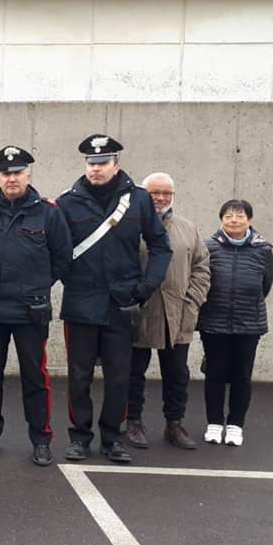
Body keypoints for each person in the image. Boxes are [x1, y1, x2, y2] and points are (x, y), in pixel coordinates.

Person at [57, 135, 171, 464]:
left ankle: (112, 438)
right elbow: (58, 251)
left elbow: (161, 246)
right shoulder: (68, 203)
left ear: (115, 164)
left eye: (103, 163)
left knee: (119, 375)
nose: (96, 169)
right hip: (81, 302)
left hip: (123, 303)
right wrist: (72, 280)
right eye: (91, 164)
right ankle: (80, 437)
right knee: (79, 376)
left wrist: (145, 287)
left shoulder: (137, 200)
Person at [0, 147, 72, 467]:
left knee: (35, 376)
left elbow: (62, 259)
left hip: (31, 310)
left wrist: (37, 288)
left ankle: (41, 439)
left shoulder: (48, 213)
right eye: (5, 173)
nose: (11, 178)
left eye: (17, 172)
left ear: (28, 175)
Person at [125, 173, 210, 450]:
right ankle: (133, 421)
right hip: (139, 312)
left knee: (177, 374)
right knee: (133, 371)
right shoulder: (130, 226)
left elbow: (201, 268)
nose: (161, 198)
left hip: (178, 313)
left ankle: (174, 423)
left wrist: (192, 301)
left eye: (166, 193)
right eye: (154, 193)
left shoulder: (188, 228)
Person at [198, 199, 273, 447]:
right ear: (221, 219)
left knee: (242, 376)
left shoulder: (263, 249)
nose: (234, 220)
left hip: (248, 323)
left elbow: (265, 285)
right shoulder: (208, 246)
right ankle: (214, 423)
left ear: (249, 220)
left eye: (240, 216)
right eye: (228, 215)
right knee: (215, 374)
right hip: (214, 320)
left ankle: (235, 425)